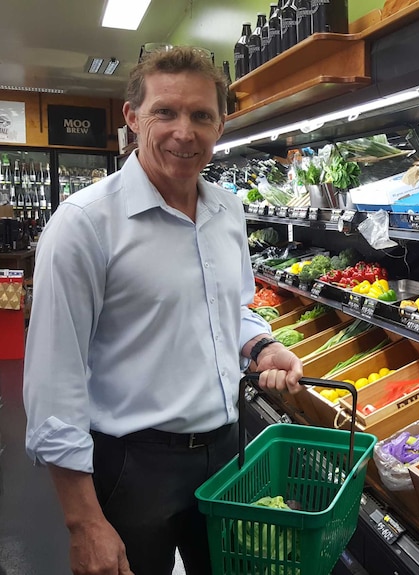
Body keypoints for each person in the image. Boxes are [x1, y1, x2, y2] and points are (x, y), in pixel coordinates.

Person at [23, 46, 303, 575]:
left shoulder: (227, 211)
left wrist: (261, 346)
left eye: (202, 115)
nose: (185, 131)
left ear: (222, 123)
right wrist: (83, 523)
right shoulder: (84, 225)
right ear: (132, 118)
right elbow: (52, 382)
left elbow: (231, 309)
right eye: (165, 113)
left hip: (225, 452)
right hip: (132, 466)